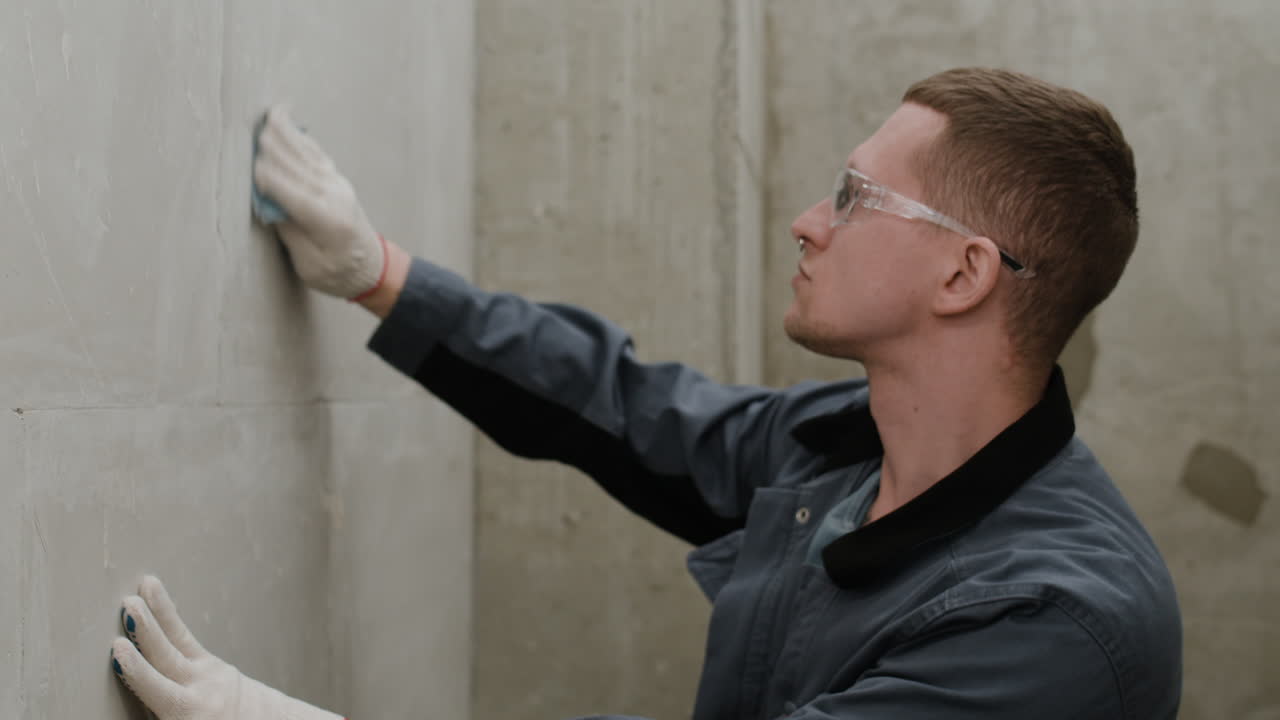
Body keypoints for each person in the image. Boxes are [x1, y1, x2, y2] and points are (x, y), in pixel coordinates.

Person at [110, 67, 1182, 719]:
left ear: (963, 274)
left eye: (855, 195)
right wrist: (377, 273)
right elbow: (628, 409)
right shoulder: (853, 452)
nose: (809, 221)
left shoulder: (1054, 626)